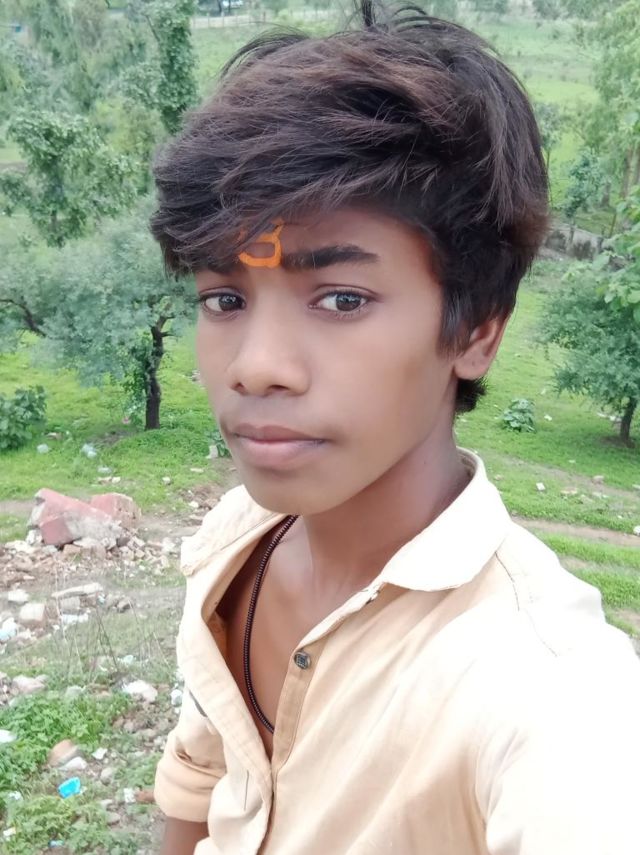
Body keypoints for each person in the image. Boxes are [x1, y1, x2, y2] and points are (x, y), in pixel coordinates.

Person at [150, 5, 640, 854]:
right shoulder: (236, 542)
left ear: (477, 330)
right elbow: (198, 781)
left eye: (342, 298)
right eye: (224, 299)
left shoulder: (554, 698)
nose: (255, 366)